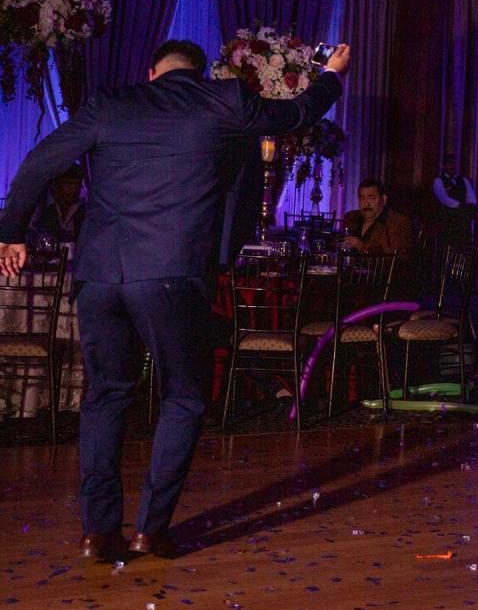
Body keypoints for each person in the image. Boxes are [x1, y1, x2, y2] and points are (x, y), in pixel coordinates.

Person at [0, 39, 349, 561]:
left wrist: (12, 233)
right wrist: (332, 74)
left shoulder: (110, 104)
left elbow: (39, 162)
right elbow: (297, 113)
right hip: (171, 274)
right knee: (183, 397)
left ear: (152, 72)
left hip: (100, 276)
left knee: (105, 397)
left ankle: (99, 532)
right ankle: (151, 529)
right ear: (200, 72)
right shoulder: (223, 100)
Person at [342, 178, 414, 259]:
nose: (366, 203)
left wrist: (360, 245)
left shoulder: (397, 222)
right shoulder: (351, 218)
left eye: (372, 198)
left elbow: (394, 256)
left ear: (384, 199)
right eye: (362, 198)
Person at [31, 163, 87, 244]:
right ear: (55, 184)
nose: (74, 189)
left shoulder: (85, 207)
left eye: (78, 184)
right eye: (68, 184)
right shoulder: (39, 206)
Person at [431, 152, 478, 244]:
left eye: (454, 163)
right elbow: (444, 199)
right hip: (446, 222)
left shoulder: (464, 181)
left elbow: (471, 197)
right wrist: (460, 206)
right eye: (450, 163)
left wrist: (471, 207)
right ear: (444, 165)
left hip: (462, 222)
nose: (453, 166)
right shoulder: (438, 181)